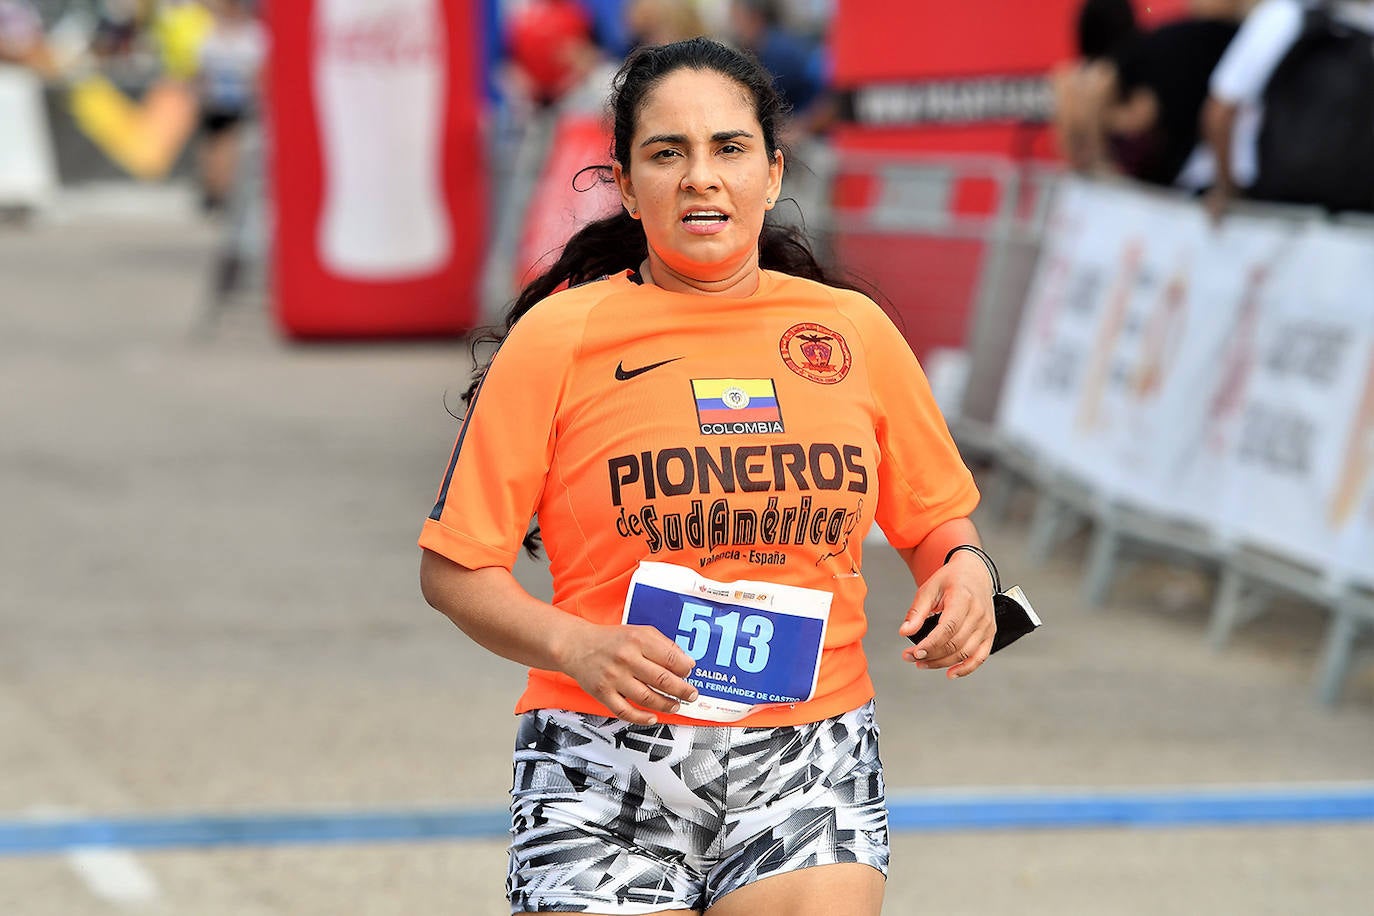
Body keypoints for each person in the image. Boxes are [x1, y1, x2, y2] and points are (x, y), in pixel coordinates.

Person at [418, 37, 997, 916]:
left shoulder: (853, 333)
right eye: (667, 153)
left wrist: (965, 574)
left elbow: (937, 527)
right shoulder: (560, 338)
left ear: (771, 171)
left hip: (810, 752)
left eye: (728, 149)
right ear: (623, 178)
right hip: (603, 759)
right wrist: (577, 645)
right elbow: (455, 569)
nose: (701, 178)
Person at [1201, 0, 1374, 217]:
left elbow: (1220, 111)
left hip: (1276, 200)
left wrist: (1227, 189)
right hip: (1351, 210)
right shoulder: (1288, 16)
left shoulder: (1284, 14)